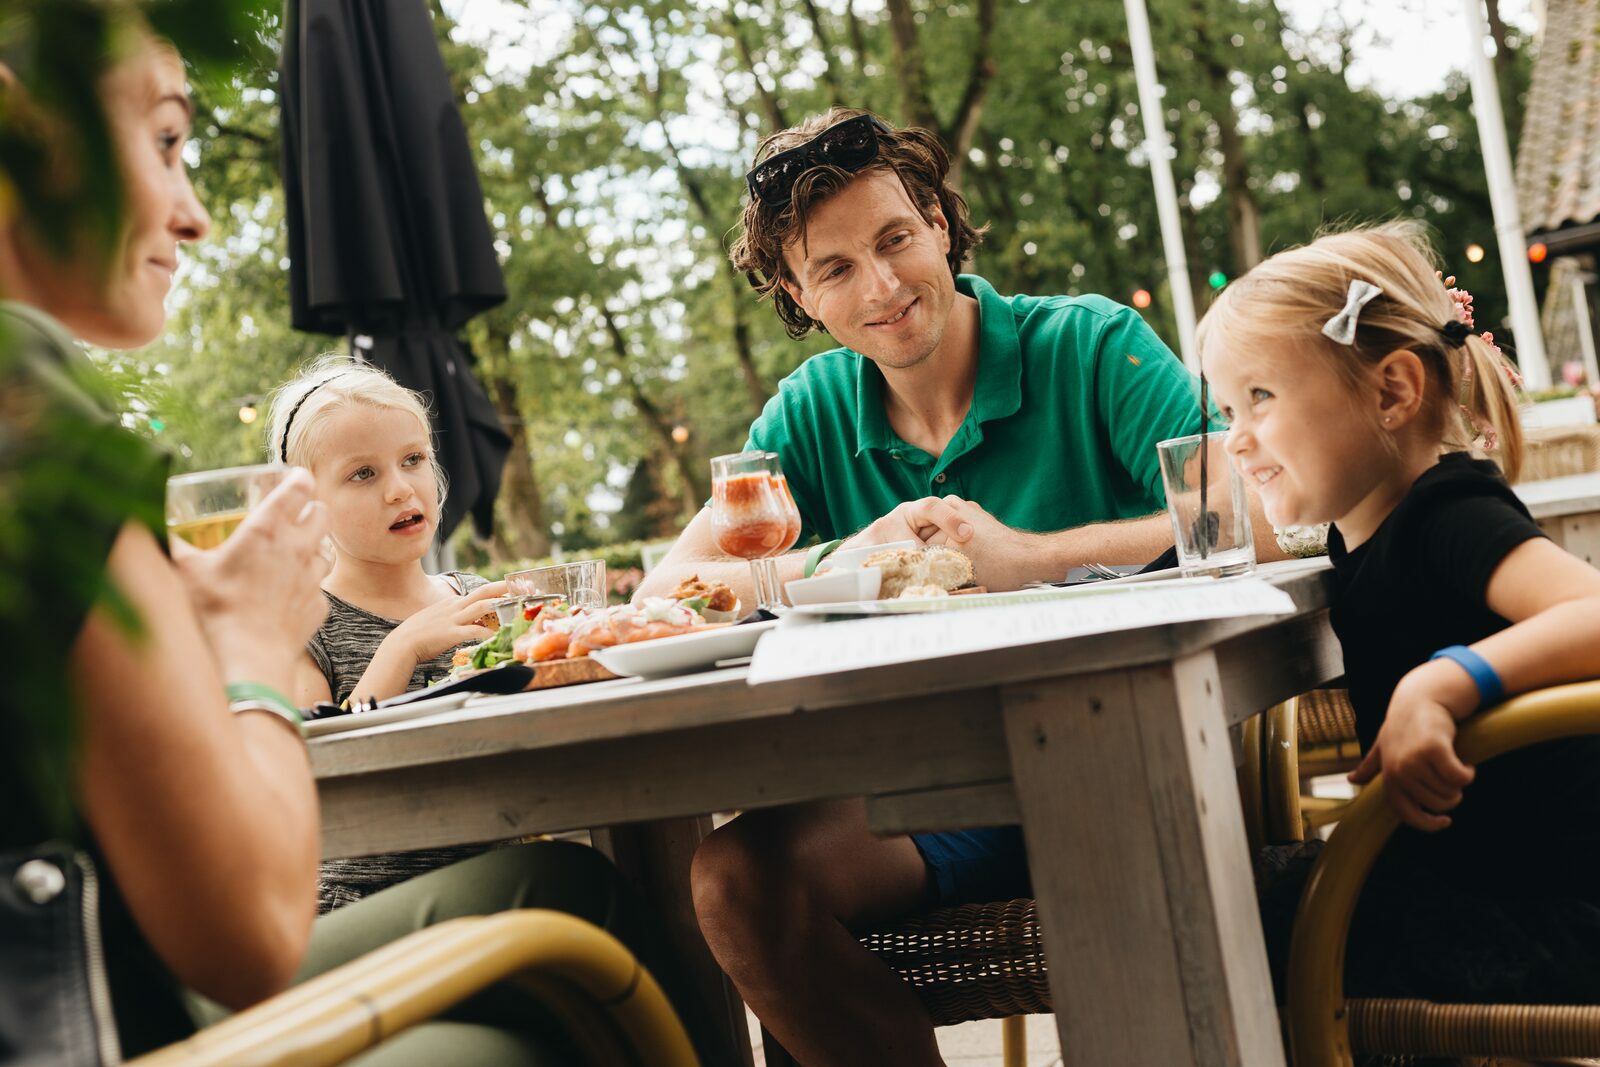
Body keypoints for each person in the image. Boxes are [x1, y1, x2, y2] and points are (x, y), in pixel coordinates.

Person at [0, 25, 679, 1066]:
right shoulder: (34, 416)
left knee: (569, 891)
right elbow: (249, 936)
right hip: (99, 1021)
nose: (196, 212)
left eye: (411, 460)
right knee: (552, 1025)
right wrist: (247, 642)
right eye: (170, 141)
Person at [654, 106, 1281, 1065]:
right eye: (835, 268)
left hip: (1129, 772)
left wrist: (1029, 558)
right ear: (796, 291)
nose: (884, 284)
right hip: (924, 806)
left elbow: (1256, 518)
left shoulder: (1093, 345)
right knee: (734, 880)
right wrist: (845, 554)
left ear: (940, 224)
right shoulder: (812, 408)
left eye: (896, 238)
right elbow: (678, 586)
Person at [1203, 220, 1600, 1006]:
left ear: (1392, 391)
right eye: (1226, 409)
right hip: (1467, 886)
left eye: (1261, 397)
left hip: (1538, 915)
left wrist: (1447, 682)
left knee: (1223, 933)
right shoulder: (1364, 537)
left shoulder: (1446, 515)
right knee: (1223, 904)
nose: (1235, 442)